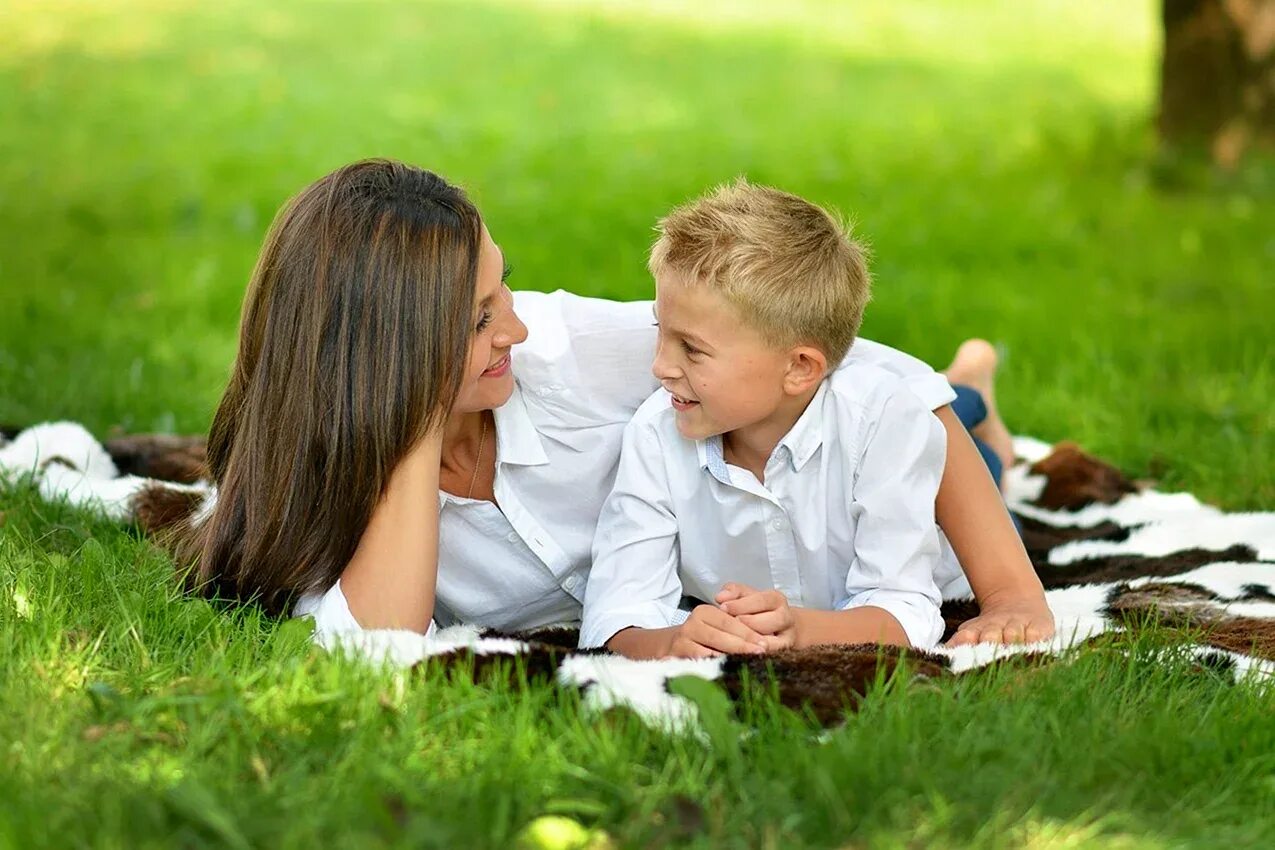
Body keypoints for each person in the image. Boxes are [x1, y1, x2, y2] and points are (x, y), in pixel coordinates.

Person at [185, 158, 1050, 647]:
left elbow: (872, 379)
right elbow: (375, 648)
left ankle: (976, 389)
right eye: (483, 318)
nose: (517, 330)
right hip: (742, 518)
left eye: (505, 290)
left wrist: (1010, 595)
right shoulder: (306, 497)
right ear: (387, 354)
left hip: (866, 459)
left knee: (956, 427)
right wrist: (416, 427)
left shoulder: (569, 353)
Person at [579, 180, 1051, 658]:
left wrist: (799, 629)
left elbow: (908, 609)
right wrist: (670, 641)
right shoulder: (657, 431)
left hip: (930, 503)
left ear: (800, 367)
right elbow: (618, 611)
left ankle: (971, 389)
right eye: (662, 333)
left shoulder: (886, 418)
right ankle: (969, 385)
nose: (659, 367)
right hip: (847, 414)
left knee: (970, 449)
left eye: (692, 349)